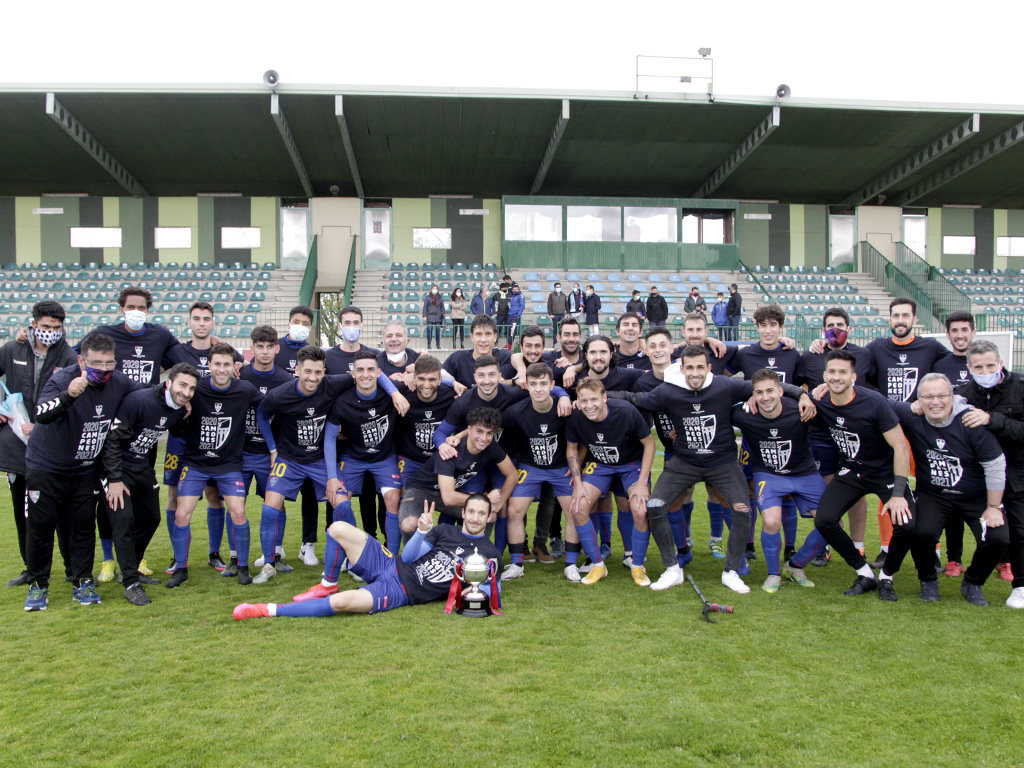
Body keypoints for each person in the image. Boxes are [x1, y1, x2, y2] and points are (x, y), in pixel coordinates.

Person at [609, 344, 814, 594]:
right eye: (690, 368)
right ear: (682, 369)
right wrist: (597, 396)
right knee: (655, 505)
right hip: (684, 463)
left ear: (709, 368)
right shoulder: (667, 391)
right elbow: (634, 398)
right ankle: (672, 569)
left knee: (742, 509)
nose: (695, 373)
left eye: (700, 367)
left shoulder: (725, 386)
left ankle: (731, 571)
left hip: (723, 463)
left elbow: (765, 386)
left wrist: (802, 395)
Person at [254, 345, 405, 586]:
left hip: (320, 460)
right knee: (270, 507)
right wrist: (272, 448)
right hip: (289, 459)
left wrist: (395, 393)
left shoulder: (333, 383)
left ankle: (355, 559)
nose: (312, 377)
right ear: (297, 370)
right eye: (307, 371)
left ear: (324, 372)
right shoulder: (279, 395)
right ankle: (270, 563)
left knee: (343, 504)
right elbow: (262, 415)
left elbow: (371, 373)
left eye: (318, 372)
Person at [232, 493, 501, 620]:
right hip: (391, 563)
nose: (475, 518)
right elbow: (408, 557)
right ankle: (328, 583)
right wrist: (421, 532)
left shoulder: (490, 555)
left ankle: (266, 609)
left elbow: (491, 592)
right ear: (463, 513)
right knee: (338, 528)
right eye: (471, 512)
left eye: (482, 513)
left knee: (340, 603)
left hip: (400, 590)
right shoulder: (444, 530)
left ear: (489, 517)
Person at [22, 332, 142, 611]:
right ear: (81, 361)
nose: (103, 369)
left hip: (85, 470)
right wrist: (69, 395)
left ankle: (83, 581)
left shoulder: (119, 381)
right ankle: (38, 585)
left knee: (83, 527)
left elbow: (146, 394)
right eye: (96, 363)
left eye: (109, 363)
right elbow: (41, 413)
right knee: (41, 528)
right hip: (46, 467)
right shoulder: (62, 380)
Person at [803, 349, 916, 597]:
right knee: (824, 520)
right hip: (852, 471)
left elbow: (901, 447)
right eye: (832, 372)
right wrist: (804, 395)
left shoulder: (874, 402)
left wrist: (898, 493)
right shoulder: (820, 400)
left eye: (843, 372)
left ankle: (886, 577)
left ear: (853, 377)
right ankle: (864, 573)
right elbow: (787, 395)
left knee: (907, 525)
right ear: (824, 376)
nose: (837, 376)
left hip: (885, 473)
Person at [886, 373, 1007, 604]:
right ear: (919, 400)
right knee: (920, 532)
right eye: (928, 397)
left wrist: (993, 507)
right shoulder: (912, 415)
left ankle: (973, 582)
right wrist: (822, 389)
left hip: (975, 496)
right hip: (934, 495)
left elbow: (995, 465)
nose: (935, 402)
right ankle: (927, 579)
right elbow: (876, 402)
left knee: (997, 538)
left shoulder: (971, 422)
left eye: (941, 396)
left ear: (952, 396)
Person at [166, 343, 265, 588]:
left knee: (238, 512)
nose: (222, 369)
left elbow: (271, 405)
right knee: (181, 513)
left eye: (227, 364)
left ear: (234, 366)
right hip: (196, 463)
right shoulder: (195, 388)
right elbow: (169, 398)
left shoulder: (244, 389)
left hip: (229, 465)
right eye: (217, 364)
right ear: (208, 365)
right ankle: (181, 568)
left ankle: (242, 566)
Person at [101, 363, 200, 605]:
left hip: (141, 467)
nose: (186, 392)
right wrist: (114, 479)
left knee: (150, 518)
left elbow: (178, 430)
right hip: (117, 468)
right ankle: (130, 583)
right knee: (124, 521)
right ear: (169, 382)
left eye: (191, 388)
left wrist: (186, 416)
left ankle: (131, 568)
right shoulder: (139, 401)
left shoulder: (178, 408)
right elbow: (112, 439)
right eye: (182, 385)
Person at [162, 301, 244, 577]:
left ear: (213, 323)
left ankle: (214, 552)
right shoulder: (176, 350)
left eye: (206, 319)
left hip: (212, 439)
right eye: (196, 318)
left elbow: (240, 364)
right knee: (174, 496)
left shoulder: (223, 351)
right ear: (189, 322)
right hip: (181, 436)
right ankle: (177, 557)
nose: (201, 323)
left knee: (213, 495)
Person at [0, 300, 77, 588]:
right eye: (45, 326)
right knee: (24, 513)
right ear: (33, 324)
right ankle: (30, 568)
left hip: (54, 447)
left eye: (56, 327)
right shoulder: (12, 349)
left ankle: (73, 568)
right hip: (17, 446)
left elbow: (73, 401)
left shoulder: (69, 356)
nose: (51, 332)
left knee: (64, 514)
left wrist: (43, 424)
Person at [731, 370, 831, 593]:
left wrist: (808, 394)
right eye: (759, 392)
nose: (765, 397)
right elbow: (713, 412)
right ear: (752, 394)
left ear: (781, 391)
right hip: (768, 475)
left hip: (805, 473)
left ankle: (795, 566)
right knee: (771, 521)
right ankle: (773, 574)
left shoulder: (801, 409)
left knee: (832, 523)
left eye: (770, 391)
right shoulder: (744, 413)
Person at [728, 303, 806, 563]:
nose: (768, 330)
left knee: (788, 491)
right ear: (757, 327)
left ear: (781, 327)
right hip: (754, 432)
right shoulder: (746, 354)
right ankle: (749, 543)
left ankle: (790, 546)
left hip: (787, 433)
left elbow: (801, 386)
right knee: (750, 487)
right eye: (763, 325)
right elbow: (724, 375)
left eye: (773, 325)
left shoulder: (792, 353)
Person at [799, 308, 875, 567]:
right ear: (823, 330)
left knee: (857, 491)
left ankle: (858, 546)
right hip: (821, 435)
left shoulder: (864, 355)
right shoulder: (810, 356)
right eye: (830, 325)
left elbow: (871, 388)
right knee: (827, 493)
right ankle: (828, 543)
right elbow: (799, 388)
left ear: (849, 329)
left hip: (855, 434)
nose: (835, 329)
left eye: (840, 325)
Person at [565, 377, 655, 586]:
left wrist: (643, 482)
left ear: (604, 398)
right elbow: (572, 448)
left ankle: (638, 565)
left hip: (631, 464)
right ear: (578, 401)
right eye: (583, 401)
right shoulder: (576, 416)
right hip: (601, 465)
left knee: (640, 509)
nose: (589, 405)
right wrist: (578, 484)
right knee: (578, 507)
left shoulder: (626, 411)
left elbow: (650, 444)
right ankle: (598, 564)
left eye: (593, 399)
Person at [955, 339, 1024, 609]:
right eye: (979, 368)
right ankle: (968, 575)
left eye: (991, 366)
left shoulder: (1020, 387)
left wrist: (991, 419)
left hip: (1017, 472)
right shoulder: (962, 393)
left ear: (1001, 363)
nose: (985, 372)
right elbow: (936, 406)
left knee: (1020, 531)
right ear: (969, 368)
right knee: (991, 533)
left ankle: (1020, 586)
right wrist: (916, 405)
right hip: (978, 475)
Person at [499, 363, 581, 581]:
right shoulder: (516, 411)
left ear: (552, 385)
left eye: (543, 384)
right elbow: (491, 428)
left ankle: (571, 563)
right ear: (527, 385)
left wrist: (576, 469)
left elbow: (581, 440)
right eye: (533, 384)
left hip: (561, 468)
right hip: (530, 467)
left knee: (573, 511)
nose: (538, 389)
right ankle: (517, 563)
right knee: (514, 510)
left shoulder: (565, 410)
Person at [326, 351, 407, 555]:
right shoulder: (342, 401)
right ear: (352, 373)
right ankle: (351, 553)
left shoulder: (393, 392)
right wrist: (332, 477)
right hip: (352, 458)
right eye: (360, 370)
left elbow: (430, 377)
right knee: (339, 501)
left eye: (371, 369)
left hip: (384, 458)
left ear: (379, 373)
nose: (365, 374)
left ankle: (391, 557)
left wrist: (453, 383)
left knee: (393, 499)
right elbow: (329, 439)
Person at [398, 407, 517, 539]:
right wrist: (486, 500)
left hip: (449, 491)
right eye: (479, 431)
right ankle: (414, 552)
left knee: (489, 515)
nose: (484, 438)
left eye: (489, 433)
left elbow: (512, 475)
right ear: (469, 430)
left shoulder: (491, 447)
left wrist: (498, 505)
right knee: (409, 524)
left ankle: (475, 550)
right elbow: (449, 498)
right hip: (421, 490)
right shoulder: (451, 450)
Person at [239, 326, 295, 574]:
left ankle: (276, 553)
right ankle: (235, 558)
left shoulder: (286, 380)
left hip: (271, 455)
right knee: (236, 504)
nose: (264, 351)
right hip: (240, 452)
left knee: (276, 504)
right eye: (259, 346)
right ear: (252, 348)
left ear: (277, 348)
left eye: (269, 346)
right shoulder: (239, 376)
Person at [393, 355, 457, 489]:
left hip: (439, 458)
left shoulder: (452, 395)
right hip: (409, 459)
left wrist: (453, 383)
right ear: (414, 378)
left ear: (440, 380)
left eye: (432, 379)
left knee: (445, 497)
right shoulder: (402, 394)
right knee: (405, 497)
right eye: (421, 379)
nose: (426, 385)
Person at [441, 315, 513, 387]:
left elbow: (517, 358)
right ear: (472, 337)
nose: (483, 340)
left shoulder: (505, 357)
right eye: (479, 334)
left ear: (495, 337)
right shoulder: (457, 358)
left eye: (488, 334)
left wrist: (511, 379)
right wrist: (452, 383)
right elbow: (438, 376)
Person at [274, 305, 314, 374]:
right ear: (289, 325)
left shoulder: (313, 353)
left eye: (305, 324)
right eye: (296, 322)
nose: (300, 326)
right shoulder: (274, 347)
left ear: (310, 329)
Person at [423, 284, 445, 350]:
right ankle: (429, 344)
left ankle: (438, 344)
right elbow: (425, 307)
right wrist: (424, 315)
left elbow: (442, 307)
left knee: (438, 329)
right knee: (429, 329)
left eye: (436, 289)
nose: (434, 290)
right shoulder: (428, 297)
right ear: (431, 289)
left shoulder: (440, 298)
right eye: (433, 288)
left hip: (438, 316)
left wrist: (442, 314)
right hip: (430, 316)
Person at [507, 283, 525, 348]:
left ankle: (510, 345)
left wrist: (518, 314)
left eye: (516, 289)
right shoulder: (511, 296)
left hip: (515, 316)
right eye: (514, 289)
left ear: (518, 289)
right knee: (509, 330)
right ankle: (508, 344)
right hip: (510, 315)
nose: (515, 290)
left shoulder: (521, 296)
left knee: (512, 330)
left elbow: (522, 306)